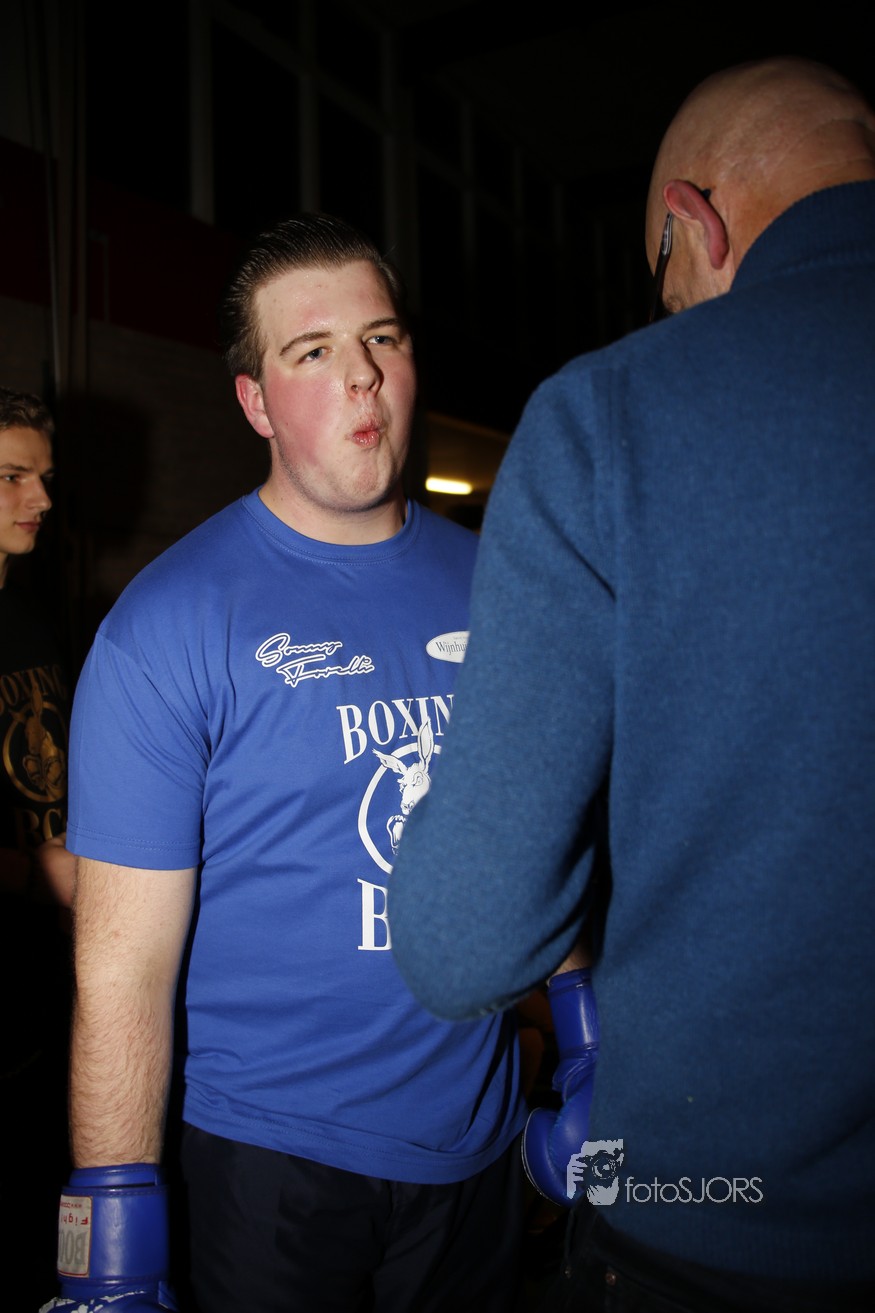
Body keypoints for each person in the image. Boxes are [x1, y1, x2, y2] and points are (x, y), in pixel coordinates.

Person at [389, 58, 875, 1311]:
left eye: (666, 286)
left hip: (718, 1224)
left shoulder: (612, 416)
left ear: (688, 222)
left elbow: (462, 942)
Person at [49, 215, 524, 1313]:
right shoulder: (167, 624)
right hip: (271, 1166)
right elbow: (121, 971)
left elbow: (545, 831)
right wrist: (107, 1242)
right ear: (256, 401)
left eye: (382, 338)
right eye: (312, 351)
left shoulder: (506, 581)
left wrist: (587, 1036)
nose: (362, 375)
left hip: (484, 1139)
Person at [0, 386, 74, 1300]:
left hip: (44, 986)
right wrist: (37, 874)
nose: (42, 498)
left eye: (43, 476)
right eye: (13, 477)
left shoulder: (31, 616)